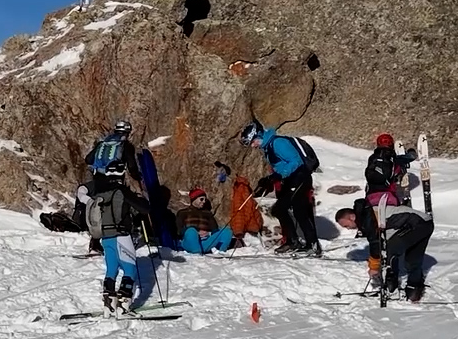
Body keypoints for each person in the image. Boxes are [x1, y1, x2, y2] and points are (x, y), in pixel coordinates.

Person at [85, 159, 154, 310]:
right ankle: (124, 302)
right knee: (130, 269)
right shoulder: (122, 191)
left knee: (111, 270)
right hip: (122, 235)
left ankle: (108, 301)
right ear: (121, 173)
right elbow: (144, 209)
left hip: (106, 237)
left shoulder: (100, 192)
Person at [241, 120, 318, 254]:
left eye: (253, 142)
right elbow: (281, 166)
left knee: (291, 210)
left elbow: (296, 161)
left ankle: (311, 245)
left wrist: (277, 176)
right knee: (282, 210)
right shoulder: (268, 147)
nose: (253, 146)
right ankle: (294, 241)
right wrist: (270, 179)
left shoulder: (277, 143)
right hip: (291, 180)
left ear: (258, 135)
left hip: (300, 178)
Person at [335, 200, 434, 302]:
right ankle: (414, 287)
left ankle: (391, 289)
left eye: (346, 225)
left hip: (417, 223)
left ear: (352, 217)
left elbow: (376, 244)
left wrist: (374, 267)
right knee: (411, 259)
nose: (347, 229)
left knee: (391, 251)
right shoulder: (366, 214)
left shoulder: (367, 218)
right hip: (425, 222)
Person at [175, 188, 233, 254]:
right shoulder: (183, 213)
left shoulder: (207, 213)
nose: (204, 201)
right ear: (194, 199)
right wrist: (196, 232)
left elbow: (214, 229)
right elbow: (179, 230)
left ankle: (220, 251)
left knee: (227, 231)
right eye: (201, 199)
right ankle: (196, 251)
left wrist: (209, 233)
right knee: (191, 231)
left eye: (205, 199)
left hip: (205, 242)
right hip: (190, 241)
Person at [86, 120, 142, 187]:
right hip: (115, 181)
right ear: (127, 133)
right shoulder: (125, 145)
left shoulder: (102, 143)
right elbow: (131, 166)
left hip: (97, 179)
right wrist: (138, 177)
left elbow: (88, 159)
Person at [364, 133, 415, 206]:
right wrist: (411, 152)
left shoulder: (372, 158)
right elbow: (412, 156)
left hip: (370, 198)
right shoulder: (394, 159)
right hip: (388, 197)